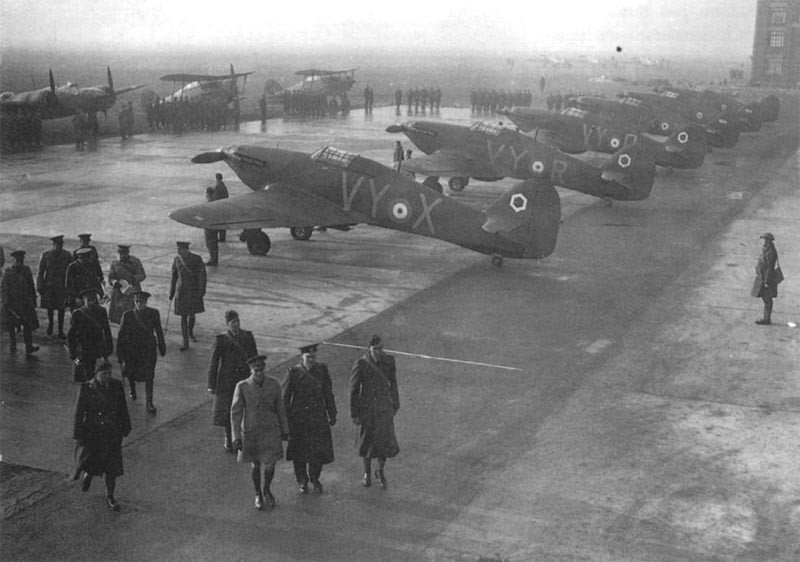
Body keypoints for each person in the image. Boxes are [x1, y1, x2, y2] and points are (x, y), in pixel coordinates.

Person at [231, 354, 289, 511]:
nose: (259, 373)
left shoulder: (274, 384)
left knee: (270, 464)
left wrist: (285, 430)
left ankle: (267, 489)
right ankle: (257, 493)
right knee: (255, 464)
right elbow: (235, 413)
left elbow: (280, 409)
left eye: (261, 370)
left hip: (270, 429)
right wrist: (235, 437)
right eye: (255, 370)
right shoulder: (242, 386)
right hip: (251, 431)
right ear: (250, 370)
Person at [72, 361, 131, 511]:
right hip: (94, 434)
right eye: (104, 374)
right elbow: (78, 413)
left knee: (112, 468)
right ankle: (88, 475)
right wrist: (78, 434)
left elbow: (122, 408)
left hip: (112, 433)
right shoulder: (87, 388)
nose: (107, 377)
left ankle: (110, 496)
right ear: (96, 374)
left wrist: (125, 427)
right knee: (93, 462)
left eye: (109, 373)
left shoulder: (116, 386)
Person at [283, 343, 336, 494]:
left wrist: (332, 413)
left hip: (318, 417)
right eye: (308, 357)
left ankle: (314, 478)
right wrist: (284, 422)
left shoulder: (322, 370)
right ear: (302, 357)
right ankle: (302, 480)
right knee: (299, 453)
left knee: (318, 451)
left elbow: (328, 393)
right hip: (299, 420)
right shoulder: (293, 372)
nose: (311, 360)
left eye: (313, 357)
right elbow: (284, 399)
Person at [350, 334, 399, 489]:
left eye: (380, 348)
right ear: (369, 349)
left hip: (384, 409)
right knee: (367, 444)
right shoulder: (361, 364)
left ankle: (380, 470)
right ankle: (367, 473)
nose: (378, 352)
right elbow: (354, 390)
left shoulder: (389, 361)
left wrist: (395, 404)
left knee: (384, 442)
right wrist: (355, 413)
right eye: (375, 349)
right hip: (368, 411)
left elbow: (394, 384)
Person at [207, 310, 257, 452]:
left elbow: (254, 357)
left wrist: (256, 375)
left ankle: (241, 437)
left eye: (237, 321)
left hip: (244, 378)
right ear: (228, 324)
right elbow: (213, 363)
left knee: (244, 408)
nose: (236, 324)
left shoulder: (247, 336)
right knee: (229, 410)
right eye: (233, 322)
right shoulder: (221, 340)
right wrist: (211, 384)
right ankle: (229, 438)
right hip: (227, 381)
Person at [117, 291, 166, 413]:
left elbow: (159, 331)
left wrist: (162, 346)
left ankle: (149, 402)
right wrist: (120, 353)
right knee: (131, 371)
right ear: (134, 302)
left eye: (141, 302)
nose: (139, 304)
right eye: (136, 302)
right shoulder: (127, 315)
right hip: (132, 349)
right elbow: (121, 335)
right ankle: (132, 389)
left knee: (150, 375)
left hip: (148, 349)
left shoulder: (153, 313)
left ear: (146, 302)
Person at [67, 288, 113, 383]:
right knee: (84, 380)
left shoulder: (101, 311)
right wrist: (72, 353)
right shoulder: (77, 314)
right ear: (84, 301)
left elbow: (107, 331)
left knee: (99, 378)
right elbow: (71, 335)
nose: (91, 303)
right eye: (88, 300)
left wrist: (108, 349)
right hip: (83, 350)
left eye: (93, 300)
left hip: (98, 350)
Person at [168, 241, 207, 351]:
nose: (178, 251)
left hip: (194, 291)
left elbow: (202, 275)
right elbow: (174, 277)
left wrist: (202, 290)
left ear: (186, 250)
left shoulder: (196, 259)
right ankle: (185, 342)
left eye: (180, 249)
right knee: (183, 316)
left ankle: (190, 333)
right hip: (181, 292)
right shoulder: (176, 260)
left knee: (192, 315)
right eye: (178, 249)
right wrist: (171, 292)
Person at [1, 250, 40, 355]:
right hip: (12, 304)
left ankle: (29, 346)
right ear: (13, 260)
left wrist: (34, 300)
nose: (19, 262)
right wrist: (5, 303)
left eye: (21, 260)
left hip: (25, 303)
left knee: (28, 325)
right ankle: (13, 344)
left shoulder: (26, 270)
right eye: (17, 260)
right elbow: (4, 289)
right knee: (11, 325)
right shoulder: (8, 272)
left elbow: (31, 286)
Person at [36, 235, 72, 339]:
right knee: (50, 307)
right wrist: (39, 286)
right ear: (53, 245)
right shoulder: (46, 255)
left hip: (62, 286)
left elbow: (71, 272)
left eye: (61, 245)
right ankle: (50, 325)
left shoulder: (67, 255)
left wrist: (70, 287)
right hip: (49, 286)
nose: (59, 247)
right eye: (57, 245)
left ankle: (60, 330)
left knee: (61, 308)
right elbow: (40, 272)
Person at [108, 245, 146, 324]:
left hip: (132, 290)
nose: (122, 256)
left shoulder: (136, 261)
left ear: (128, 253)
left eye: (124, 254)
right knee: (118, 318)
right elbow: (110, 277)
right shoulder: (114, 263)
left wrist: (134, 278)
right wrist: (114, 282)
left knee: (133, 317)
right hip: (119, 292)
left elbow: (142, 275)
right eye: (120, 254)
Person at [751, 232, 781, 325]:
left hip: (767, 279)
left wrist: (766, 281)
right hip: (763, 277)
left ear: (769, 241)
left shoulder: (771, 252)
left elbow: (769, 267)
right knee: (765, 298)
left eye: (765, 239)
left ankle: (767, 319)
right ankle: (766, 318)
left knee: (767, 298)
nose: (764, 241)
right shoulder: (766, 249)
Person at [203, 187, 219, 266]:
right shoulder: (215, 202)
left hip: (209, 227)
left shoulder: (209, 203)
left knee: (211, 244)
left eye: (206, 193)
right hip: (213, 227)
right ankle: (214, 259)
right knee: (213, 244)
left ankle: (213, 260)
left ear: (208, 194)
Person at [213, 173, 229, 242]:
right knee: (223, 223)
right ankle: (222, 237)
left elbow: (215, 197)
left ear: (217, 178)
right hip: (224, 206)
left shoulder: (218, 186)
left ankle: (220, 238)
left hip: (219, 207)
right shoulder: (224, 186)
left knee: (218, 222)